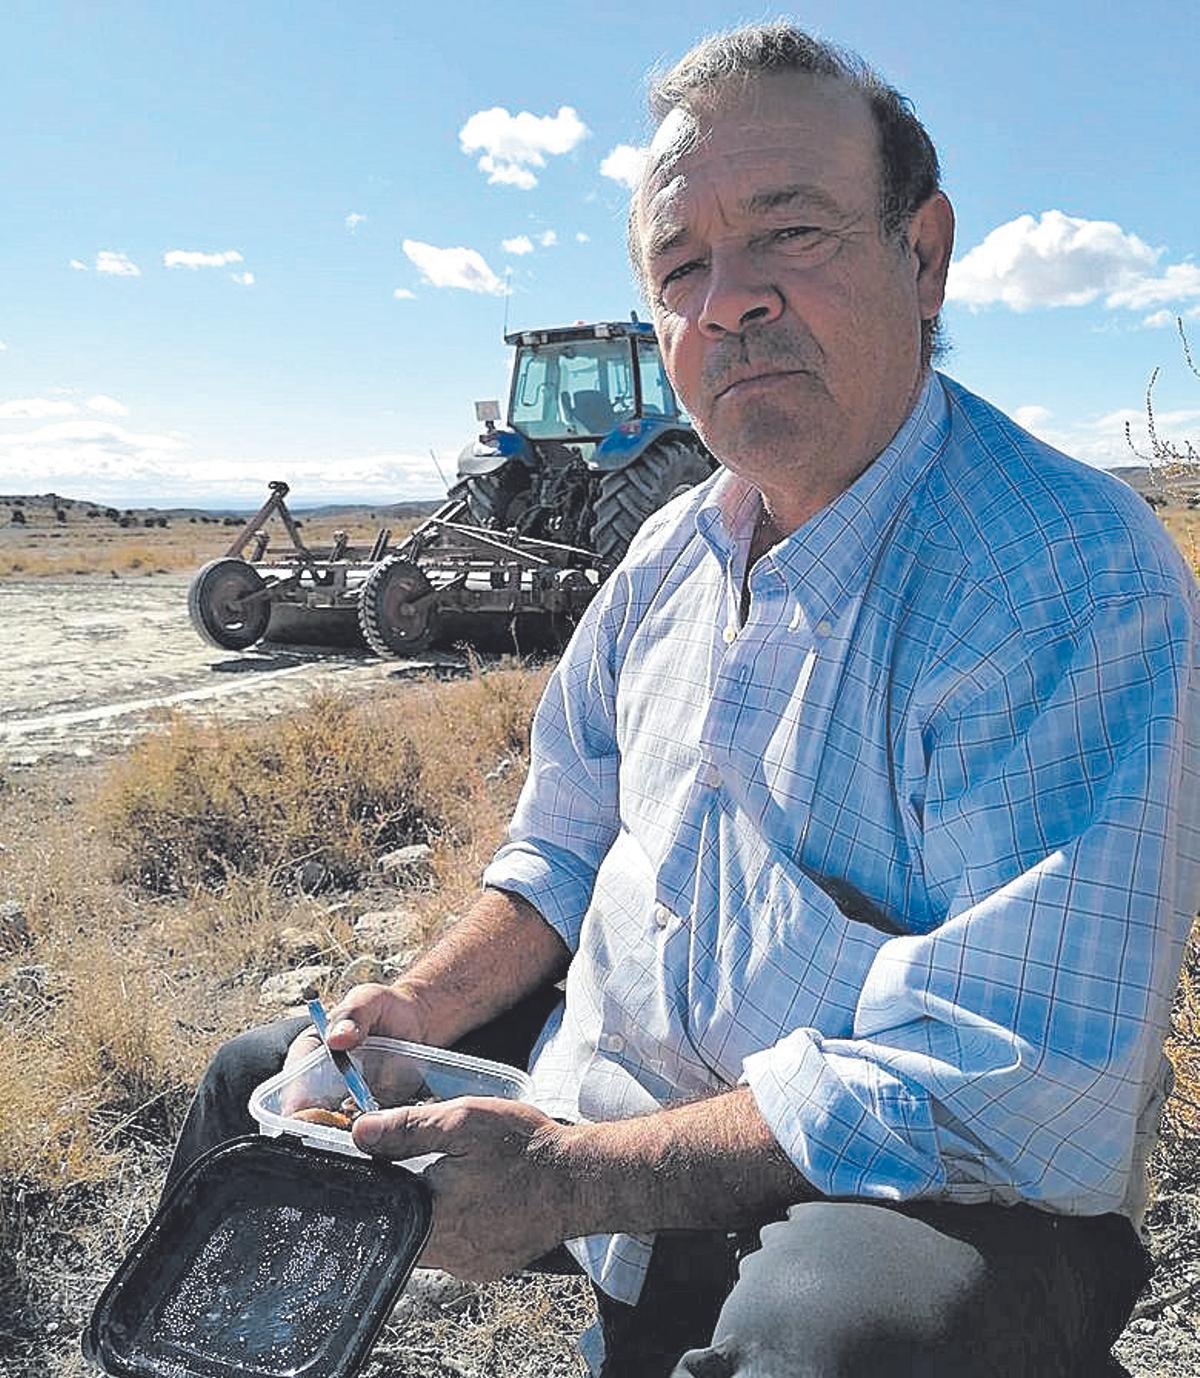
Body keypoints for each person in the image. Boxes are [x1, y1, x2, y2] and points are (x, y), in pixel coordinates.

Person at [165, 23, 1200, 1377]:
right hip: (627, 1093)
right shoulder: (665, 558)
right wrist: (411, 1009)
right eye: (683, 265)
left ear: (925, 252)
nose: (731, 301)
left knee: (840, 1331)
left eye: (793, 233)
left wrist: (568, 1175)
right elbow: (557, 857)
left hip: (929, 1177)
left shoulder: (1063, 576)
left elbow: (1006, 1074)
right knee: (266, 1084)